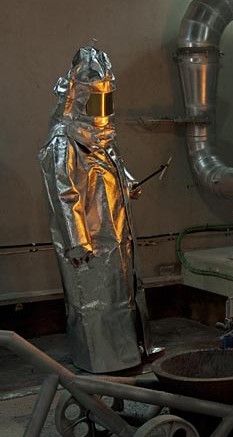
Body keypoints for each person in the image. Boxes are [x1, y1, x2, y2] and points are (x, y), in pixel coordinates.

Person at [38, 46, 154, 373]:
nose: (104, 109)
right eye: (97, 101)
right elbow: (63, 194)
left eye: (107, 100)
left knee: (122, 299)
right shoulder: (65, 140)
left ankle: (128, 356)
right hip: (90, 244)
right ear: (80, 99)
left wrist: (130, 184)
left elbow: (116, 167)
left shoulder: (102, 137)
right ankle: (100, 362)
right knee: (93, 305)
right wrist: (77, 242)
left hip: (116, 237)